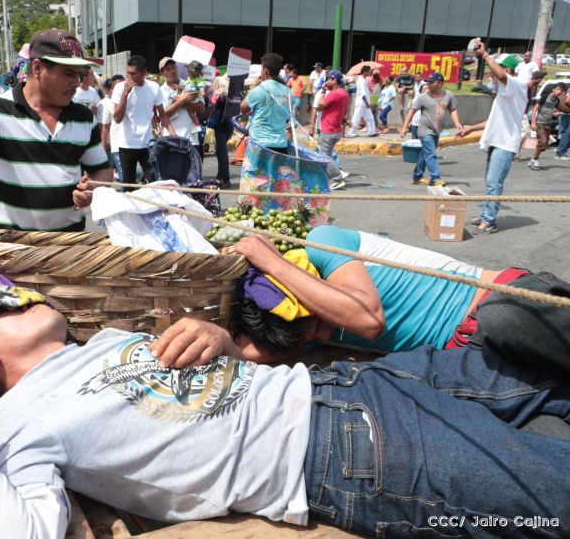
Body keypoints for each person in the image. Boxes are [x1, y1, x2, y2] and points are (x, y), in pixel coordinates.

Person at [0, 274, 570, 539]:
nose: (18, 293)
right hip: (346, 455)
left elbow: (208, 395)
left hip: (354, 384)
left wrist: (222, 343)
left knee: (521, 331)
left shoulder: (107, 340)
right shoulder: (13, 428)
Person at [232, 226, 570, 377]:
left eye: (318, 324)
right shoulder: (298, 324)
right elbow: (250, 352)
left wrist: (270, 261)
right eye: (311, 341)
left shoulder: (323, 242)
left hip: (493, 303)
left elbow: (368, 321)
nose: (323, 337)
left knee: (503, 318)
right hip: (467, 357)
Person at [0, 31, 110, 232]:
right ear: (37, 68)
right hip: (14, 249)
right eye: (69, 73)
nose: (76, 83)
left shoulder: (84, 117)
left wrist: (93, 189)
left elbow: (102, 170)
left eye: (79, 75)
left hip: (69, 247)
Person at [456, 44, 544, 235]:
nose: (492, 75)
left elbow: (502, 76)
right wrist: (471, 128)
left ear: (506, 69)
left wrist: (485, 54)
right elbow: (493, 120)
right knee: (490, 181)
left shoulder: (516, 85)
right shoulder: (505, 93)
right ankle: (486, 214)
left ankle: (489, 221)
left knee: (494, 183)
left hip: (505, 144)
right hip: (496, 142)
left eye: (496, 70)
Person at [111, 55, 176, 186]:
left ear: (144, 73)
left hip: (147, 143)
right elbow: (117, 118)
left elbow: (162, 115)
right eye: (127, 73)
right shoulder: (120, 87)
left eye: (132, 73)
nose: (128, 77)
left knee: (153, 182)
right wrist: (125, 94)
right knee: (129, 186)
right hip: (126, 144)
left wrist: (172, 132)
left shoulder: (153, 87)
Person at [400, 72, 462, 186]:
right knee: (431, 153)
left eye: (431, 82)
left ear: (440, 83)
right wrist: (404, 127)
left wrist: (457, 123)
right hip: (425, 130)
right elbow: (412, 111)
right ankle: (435, 178)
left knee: (425, 153)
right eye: (428, 82)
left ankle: (417, 176)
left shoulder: (449, 95)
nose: (428, 84)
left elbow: (452, 109)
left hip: (437, 130)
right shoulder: (423, 97)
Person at [240, 53, 291, 153]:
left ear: (265, 71)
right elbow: (287, 118)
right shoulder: (288, 91)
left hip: (260, 144)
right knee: (276, 169)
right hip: (281, 145)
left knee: (257, 170)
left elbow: (243, 108)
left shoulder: (259, 89)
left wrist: (253, 87)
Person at [315, 71, 350, 189]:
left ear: (334, 80)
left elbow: (320, 104)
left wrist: (323, 91)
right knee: (327, 154)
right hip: (336, 129)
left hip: (328, 129)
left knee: (324, 156)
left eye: (329, 79)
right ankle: (328, 177)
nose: (327, 81)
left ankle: (337, 178)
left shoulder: (334, 93)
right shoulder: (344, 93)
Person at [158, 57, 201, 148]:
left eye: (173, 67)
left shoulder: (190, 85)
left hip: (191, 138)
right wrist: (182, 101)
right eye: (168, 69)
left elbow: (201, 107)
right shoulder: (160, 90)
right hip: (170, 138)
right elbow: (163, 114)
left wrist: (181, 102)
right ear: (162, 73)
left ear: (177, 68)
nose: (172, 71)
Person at [528, 82, 567, 170]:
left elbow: (554, 110)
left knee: (543, 145)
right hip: (540, 123)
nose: (559, 92)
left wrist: (558, 113)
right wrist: (533, 122)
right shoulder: (545, 97)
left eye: (562, 90)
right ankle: (534, 160)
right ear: (553, 89)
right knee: (543, 141)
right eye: (558, 89)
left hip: (548, 124)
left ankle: (533, 159)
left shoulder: (557, 101)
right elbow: (535, 109)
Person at [99, 75, 125, 182]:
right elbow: (105, 125)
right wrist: (104, 143)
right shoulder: (106, 104)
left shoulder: (133, 98)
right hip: (116, 145)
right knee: (124, 175)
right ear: (110, 89)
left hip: (134, 144)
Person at [207, 75, 232, 187]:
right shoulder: (231, 96)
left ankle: (225, 179)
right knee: (220, 151)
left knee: (222, 152)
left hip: (220, 126)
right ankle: (220, 176)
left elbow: (213, 109)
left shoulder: (220, 96)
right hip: (229, 125)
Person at [347, 66, 377, 138]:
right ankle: (352, 132)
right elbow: (363, 94)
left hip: (365, 103)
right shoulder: (361, 80)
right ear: (365, 72)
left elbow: (365, 92)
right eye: (369, 71)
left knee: (369, 117)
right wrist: (367, 103)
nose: (370, 72)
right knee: (356, 117)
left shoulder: (363, 79)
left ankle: (371, 132)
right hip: (362, 102)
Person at [556, 87, 570, 161]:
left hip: (566, 114)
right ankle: (560, 153)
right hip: (567, 115)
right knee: (567, 134)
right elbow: (568, 101)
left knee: (566, 133)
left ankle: (560, 151)